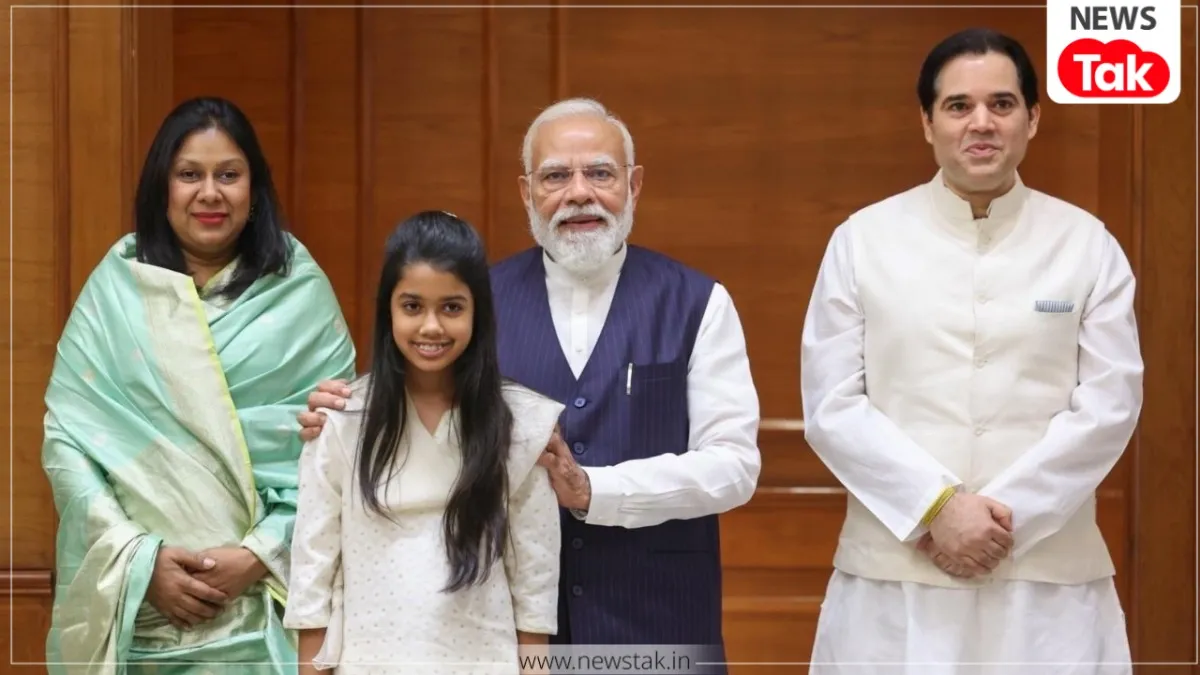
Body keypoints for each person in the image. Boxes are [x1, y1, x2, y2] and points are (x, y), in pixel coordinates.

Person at [297, 98, 761, 664]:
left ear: (634, 185)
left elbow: (734, 466)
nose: (579, 193)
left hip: (658, 624)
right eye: (556, 176)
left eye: (600, 173)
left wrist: (594, 490)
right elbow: (414, 404)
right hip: (503, 635)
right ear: (526, 192)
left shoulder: (699, 302)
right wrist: (344, 409)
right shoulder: (473, 305)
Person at [800, 27, 1143, 674]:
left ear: (1032, 118)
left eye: (1002, 104)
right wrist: (938, 509)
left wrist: (999, 522)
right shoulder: (862, 241)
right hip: (896, 576)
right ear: (927, 122)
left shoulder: (1086, 244)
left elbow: (1110, 407)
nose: (981, 123)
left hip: (1048, 582)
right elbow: (831, 406)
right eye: (958, 105)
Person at [40, 96, 357, 674]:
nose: (210, 193)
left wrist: (258, 555)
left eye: (228, 175)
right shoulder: (116, 289)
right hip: (139, 622)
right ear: (161, 188)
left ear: (254, 191)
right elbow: (68, 441)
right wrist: (141, 561)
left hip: (265, 618)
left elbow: (339, 449)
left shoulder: (300, 293)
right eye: (189, 175)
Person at [282, 210, 565, 675]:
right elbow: (312, 579)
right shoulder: (341, 421)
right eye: (412, 306)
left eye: (451, 307)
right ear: (388, 311)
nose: (431, 326)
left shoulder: (521, 425)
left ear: (478, 313)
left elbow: (534, 584)